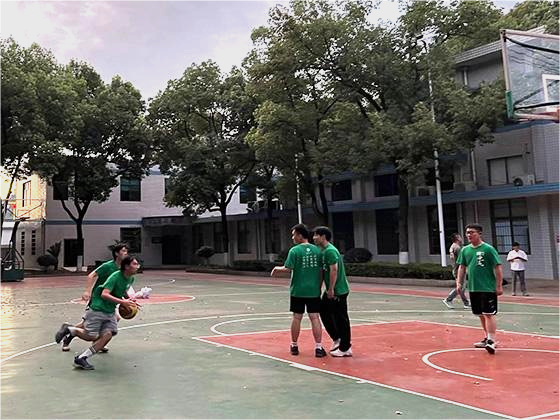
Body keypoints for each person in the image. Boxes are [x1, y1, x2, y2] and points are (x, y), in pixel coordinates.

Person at [55, 255, 140, 370]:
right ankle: (69, 329)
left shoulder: (130, 278)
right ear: (126, 266)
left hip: (109, 310)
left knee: (108, 334)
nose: (137, 266)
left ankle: (82, 358)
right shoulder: (115, 277)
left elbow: (121, 291)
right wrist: (122, 302)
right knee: (90, 336)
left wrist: (129, 301)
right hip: (98, 308)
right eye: (135, 264)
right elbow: (104, 294)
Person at [58, 243, 129, 352]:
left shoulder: (123, 269)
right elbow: (91, 275)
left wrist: (126, 297)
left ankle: (97, 342)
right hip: (98, 299)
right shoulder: (108, 266)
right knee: (85, 325)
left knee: (115, 318)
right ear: (116, 253)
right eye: (123, 251)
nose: (126, 253)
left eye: (126, 251)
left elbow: (119, 284)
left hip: (108, 300)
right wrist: (87, 291)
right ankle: (69, 336)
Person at [271, 224, 326, 358]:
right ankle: (318, 347)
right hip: (313, 290)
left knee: (297, 317)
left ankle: (294, 345)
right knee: (315, 317)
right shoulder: (318, 251)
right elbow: (321, 271)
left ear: (300, 235)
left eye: (294, 235)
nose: (292, 237)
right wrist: (319, 286)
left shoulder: (294, 251)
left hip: (298, 290)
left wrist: (276, 269)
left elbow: (288, 268)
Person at [456, 224, 503, 354]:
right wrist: (459, 283)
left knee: (488, 314)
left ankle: (492, 341)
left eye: (472, 232)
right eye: (467, 232)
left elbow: (498, 267)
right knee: (481, 314)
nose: (469, 235)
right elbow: (462, 267)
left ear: (479, 233)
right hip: (473, 287)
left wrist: (498, 285)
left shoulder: (488, 249)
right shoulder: (465, 250)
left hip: (487, 287)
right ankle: (487, 338)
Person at [312, 226, 352, 357]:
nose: (314, 238)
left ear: (323, 237)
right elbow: (324, 272)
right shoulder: (323, 251)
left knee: (341, 319)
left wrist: (331, 289)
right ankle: (337, 339)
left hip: (338, 290)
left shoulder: (330, 251)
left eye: (316, 235)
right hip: (331, 290)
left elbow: (334, 270)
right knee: (324, 311)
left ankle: (345, 348)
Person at [442, 233, 470, 309]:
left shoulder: (453, 246)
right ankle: (448, 299)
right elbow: (462, 260)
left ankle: (466, 303)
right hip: (459, 270)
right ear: (457, 238)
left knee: (461, 288)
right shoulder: (457, 248)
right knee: (461, 287)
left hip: (457, 269)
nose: (461, 238)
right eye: (460, 237)